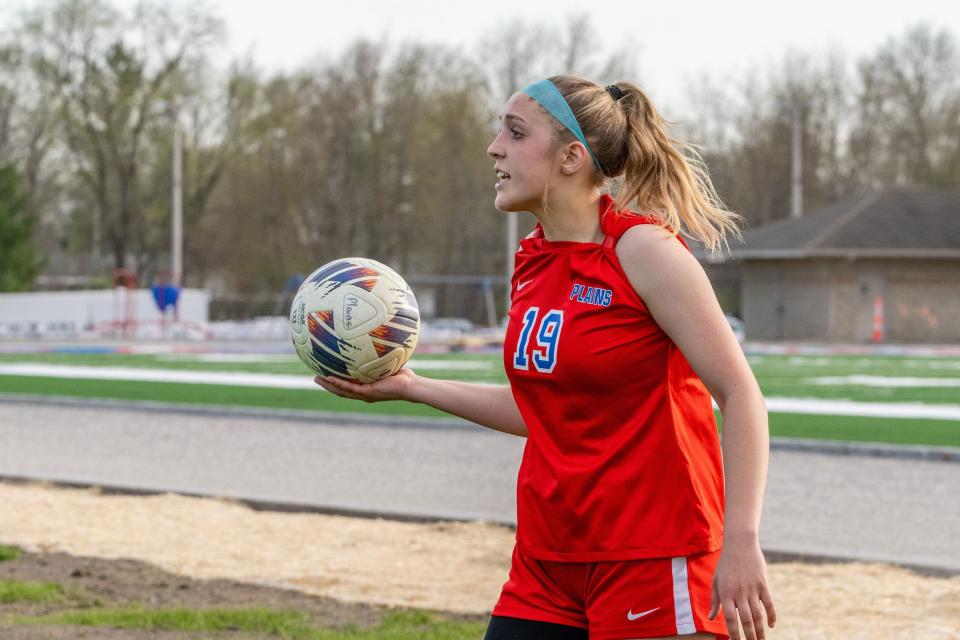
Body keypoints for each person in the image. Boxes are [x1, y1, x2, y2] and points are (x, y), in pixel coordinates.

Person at [315, 75, 777, 640]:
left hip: (653, 557)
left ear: (572, 158)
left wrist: (742, 542)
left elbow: (740, 394)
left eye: (514, 132)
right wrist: (413, 386)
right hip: (547, 560)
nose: (494, 147)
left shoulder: (645, 251)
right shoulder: (532, 260)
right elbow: (543, 410)